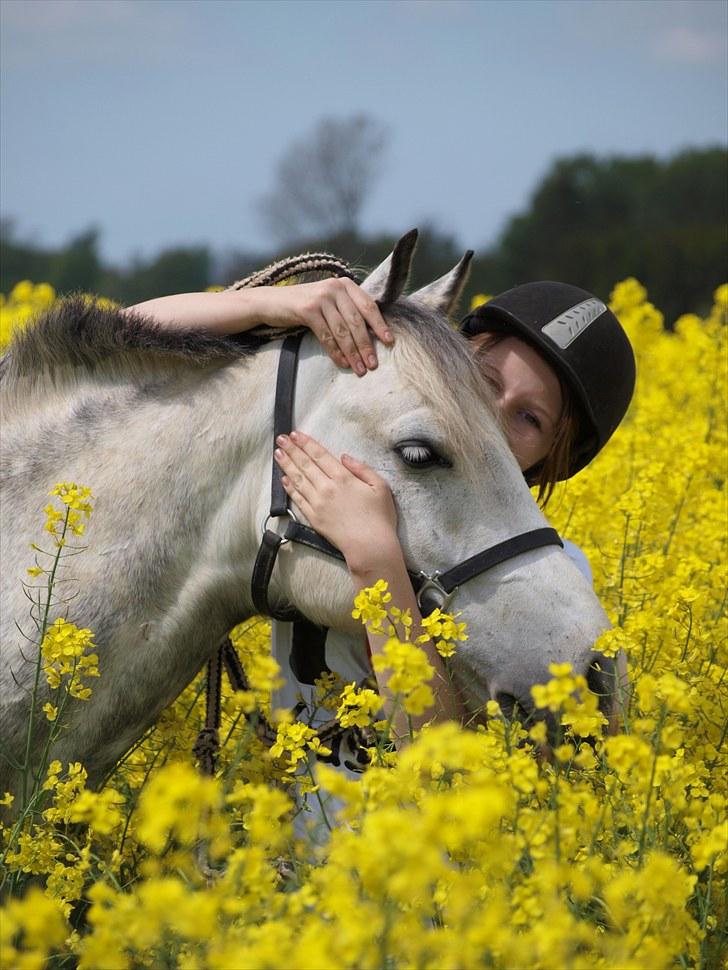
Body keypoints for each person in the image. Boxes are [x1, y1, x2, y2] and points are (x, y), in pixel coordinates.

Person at [125, 269, 635, 739]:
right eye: (483, 379)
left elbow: (437, 757)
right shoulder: (348, 464)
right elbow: (128, 340)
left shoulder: (540, 582)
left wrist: (374, 557)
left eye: (530, 418)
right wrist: (280, 303)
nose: (492, 414)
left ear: (554, 457)